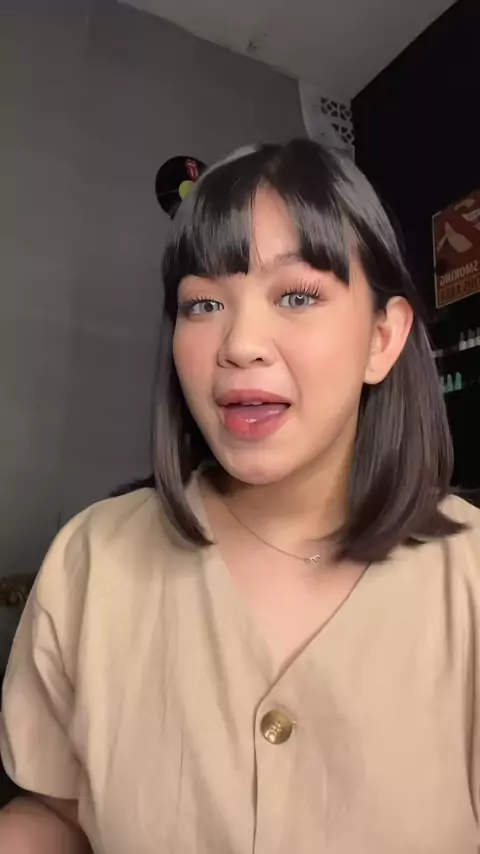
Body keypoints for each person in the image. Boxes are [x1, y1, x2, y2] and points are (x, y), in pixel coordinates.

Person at [0, 139, 479, 854]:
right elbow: (58, 814)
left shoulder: (470, 573)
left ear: (382, 338)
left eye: (297, 296)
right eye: (203, 304)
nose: (240, 343)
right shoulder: (91, 559)